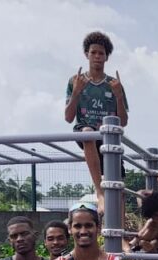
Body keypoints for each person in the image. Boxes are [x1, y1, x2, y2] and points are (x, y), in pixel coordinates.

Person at [65, 30, 128, 210]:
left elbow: (123, 122)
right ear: (87, 54)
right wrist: (76, 92)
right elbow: (68, 117)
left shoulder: (114, 84)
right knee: (88, 133)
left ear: (106, 57)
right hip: (85, 131)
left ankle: (119, 226)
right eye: (93, 52)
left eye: (101, 53)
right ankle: (99, 191)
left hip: (108, 137)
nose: (97, 56)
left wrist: (118, 96)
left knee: (118, 191)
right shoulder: (76, 81)